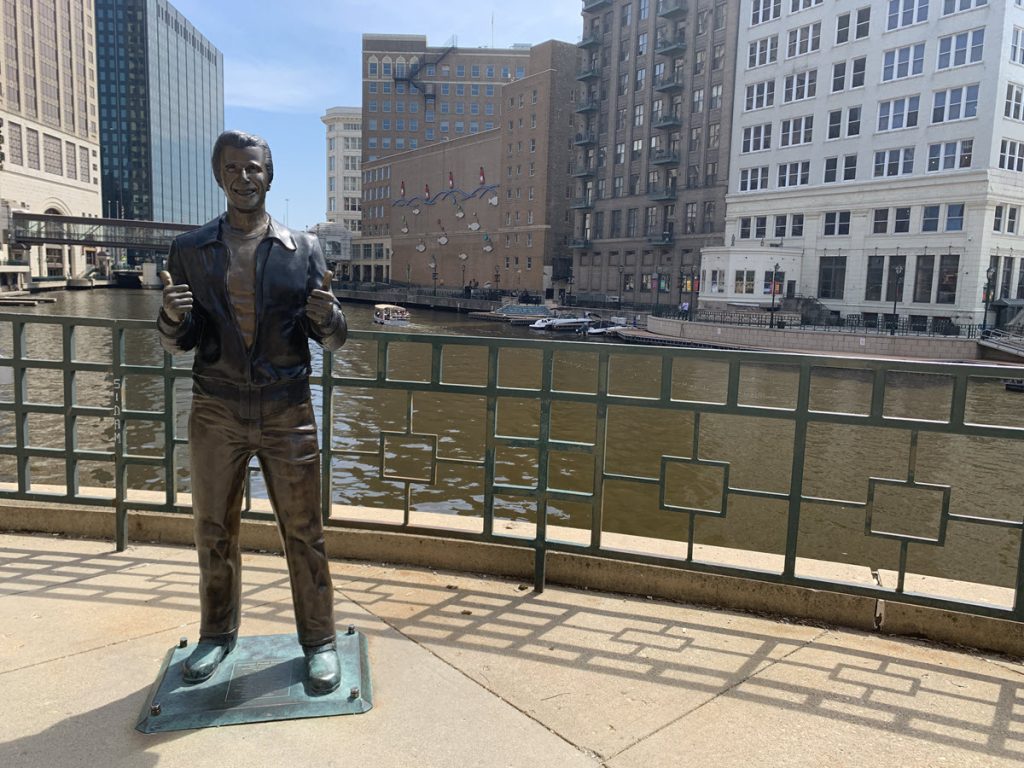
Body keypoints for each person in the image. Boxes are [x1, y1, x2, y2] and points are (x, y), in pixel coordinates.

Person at [157, 130, 347, 694]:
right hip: (215, 409)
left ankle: (320, 641)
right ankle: (217, 634)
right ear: (220, 176)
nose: (245, 177)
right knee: (213, 528)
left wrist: (327, 318)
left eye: (255, 168)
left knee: (304, 531)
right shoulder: (189, 251)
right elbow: (180, 340)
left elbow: (334, 339)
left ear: (270, 175)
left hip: (287, 410)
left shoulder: (304, 249)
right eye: (234, 168)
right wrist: (169, 318)